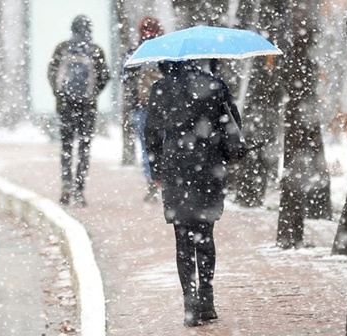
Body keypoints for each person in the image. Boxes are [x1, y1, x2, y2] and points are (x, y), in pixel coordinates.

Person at [145, 60, 247, 327]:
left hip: (176, 168)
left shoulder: (160, 88)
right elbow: (233, 123)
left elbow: (152, 132)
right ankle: (207, 301)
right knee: (206, 235)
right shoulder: (215, 85)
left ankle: (190, 304)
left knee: (182, 237)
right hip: (209, 168)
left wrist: (156, 169)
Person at [48, 15, 110, 207]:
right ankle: (79, 189)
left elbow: (51, 73)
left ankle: (66, 184)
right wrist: (92, 94)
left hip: (65, 106)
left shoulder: (62, 48)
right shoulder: (95, 50)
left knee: (66, 147)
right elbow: (105, 76)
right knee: (84, 148)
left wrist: (60, 95)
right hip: (87, 108)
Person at [123, 16, 165, 202]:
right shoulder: (166, 52)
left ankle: (152, 183)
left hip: (141, 107)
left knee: (146, 147)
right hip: (164, 108)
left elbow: (125, 77)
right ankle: (166, 181)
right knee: (165, 145)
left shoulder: (134, 52)